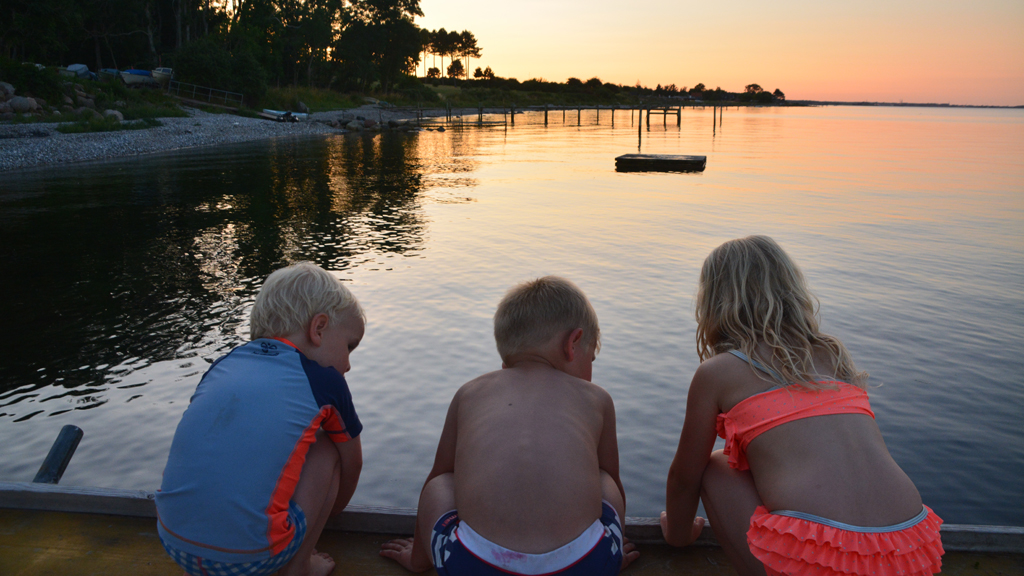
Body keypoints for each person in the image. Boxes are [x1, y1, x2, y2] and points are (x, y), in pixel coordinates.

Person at [661, 236, 944, 576]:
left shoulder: (719, 372)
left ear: (714, 302)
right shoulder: (833, 355)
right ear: (791, 290)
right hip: (910, 549)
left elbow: (683, 476)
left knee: (714, 466)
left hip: (818, 563)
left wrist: (678, 535)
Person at [379, 276, 638, 575]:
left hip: (474, 565)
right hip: (585, 564)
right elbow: (613, 484)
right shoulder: (597, 398)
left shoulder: (470, 393)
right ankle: (611, 552)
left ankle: (420, 561)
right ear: (573, 343)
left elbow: (438, 476)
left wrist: (420, 557)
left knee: (440, 484)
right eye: (591, 359)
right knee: (605, 478)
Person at [155, 262, 365, 576]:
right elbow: (353, 463)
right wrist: (328, 512)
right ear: (318, 328)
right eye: (349, 346)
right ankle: (299, 566)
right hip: (250, 557)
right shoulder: (325, 382)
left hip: (174, 543)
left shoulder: (224, 365)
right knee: (328, 447)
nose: (347, 365)